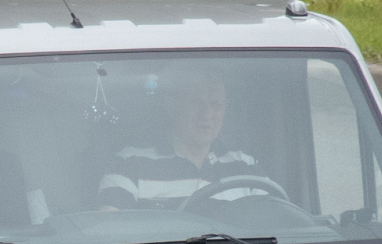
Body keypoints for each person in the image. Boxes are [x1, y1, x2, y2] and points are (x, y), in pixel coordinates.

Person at [96, 65, 264, 209]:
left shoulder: (244, 166)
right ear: (171, 106)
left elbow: (274, 224)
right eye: (196, 102)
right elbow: (109, 230)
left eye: (215, 104)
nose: (207, 114)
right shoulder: (128, 164)